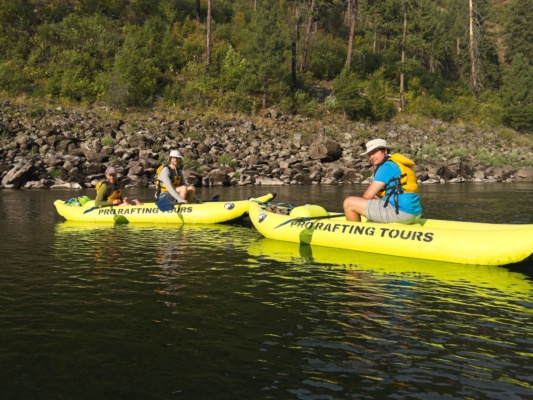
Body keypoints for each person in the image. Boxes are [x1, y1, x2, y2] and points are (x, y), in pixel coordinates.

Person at [343, 139, 422, 223]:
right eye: (369, 154)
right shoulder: (396, 163)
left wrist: (359, 209)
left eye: (374, 152)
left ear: (385, 151)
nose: (371, 157)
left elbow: (367, 196)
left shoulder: (387, 166)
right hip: (414, 212)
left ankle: (356, 234)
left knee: (349, 203)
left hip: (401, 212)